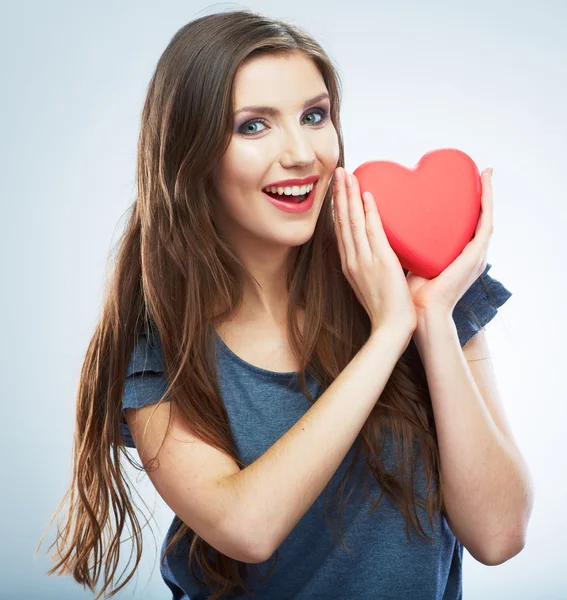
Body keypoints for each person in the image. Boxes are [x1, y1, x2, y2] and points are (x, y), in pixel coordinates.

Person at [38, 9, 533, 600]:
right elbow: (247, 526)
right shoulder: (159, 348)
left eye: (314, 116)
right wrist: (387, 334)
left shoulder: (424, 275)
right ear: (191, 154)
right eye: (253, 126)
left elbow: (500, 535)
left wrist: (431, 322)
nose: (302, 153)